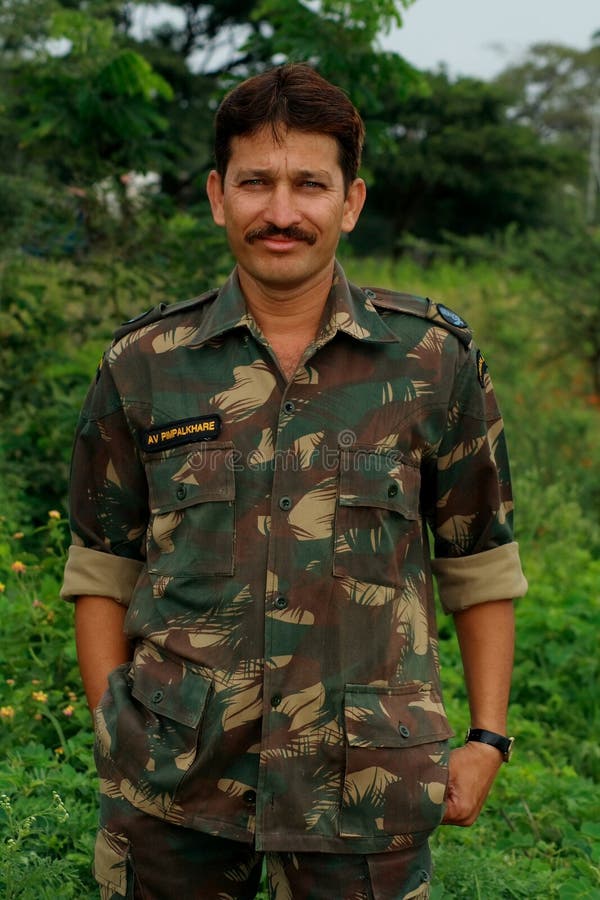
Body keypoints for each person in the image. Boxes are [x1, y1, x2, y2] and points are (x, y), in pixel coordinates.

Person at [61, 63, 527, 900]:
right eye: (256, 183)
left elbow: (479, 559)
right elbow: (102, 561)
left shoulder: (432, 361)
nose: (282, 212)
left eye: (310, 183)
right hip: (172, 797)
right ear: (217, 195)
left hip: (365, 797)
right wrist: (114, 726)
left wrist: (487, 737)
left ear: (349, 201)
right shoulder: (144, 365)